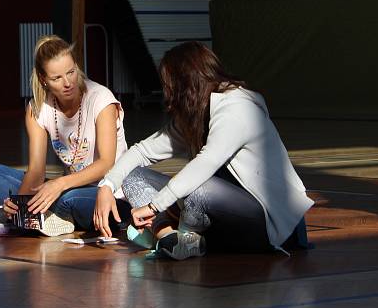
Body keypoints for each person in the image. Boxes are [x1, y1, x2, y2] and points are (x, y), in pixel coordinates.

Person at [93, 41, 313, 260]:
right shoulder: (197, 114)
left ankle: (181, 235)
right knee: (133, 176)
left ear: (184, 82)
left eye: (168, 84)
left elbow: (206, 162)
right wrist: (107, 185)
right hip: (220, 214)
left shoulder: (237, 107)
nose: (166, 92)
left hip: (269, 224)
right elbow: (142, 151)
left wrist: (154, 205)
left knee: (195, 187)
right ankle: (169, 237)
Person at [0, 35, 130, 236]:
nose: (67, 83)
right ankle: (31, 216)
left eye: (71, 72)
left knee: (70, 199)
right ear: (43, 79)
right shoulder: (37, 109)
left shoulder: (101, 99)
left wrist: (57, 185)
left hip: (109, 193)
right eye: (57, 78)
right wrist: (18, 203)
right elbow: (36, 172)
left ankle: (33, 218)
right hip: (67, 188)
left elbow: (106, 164)